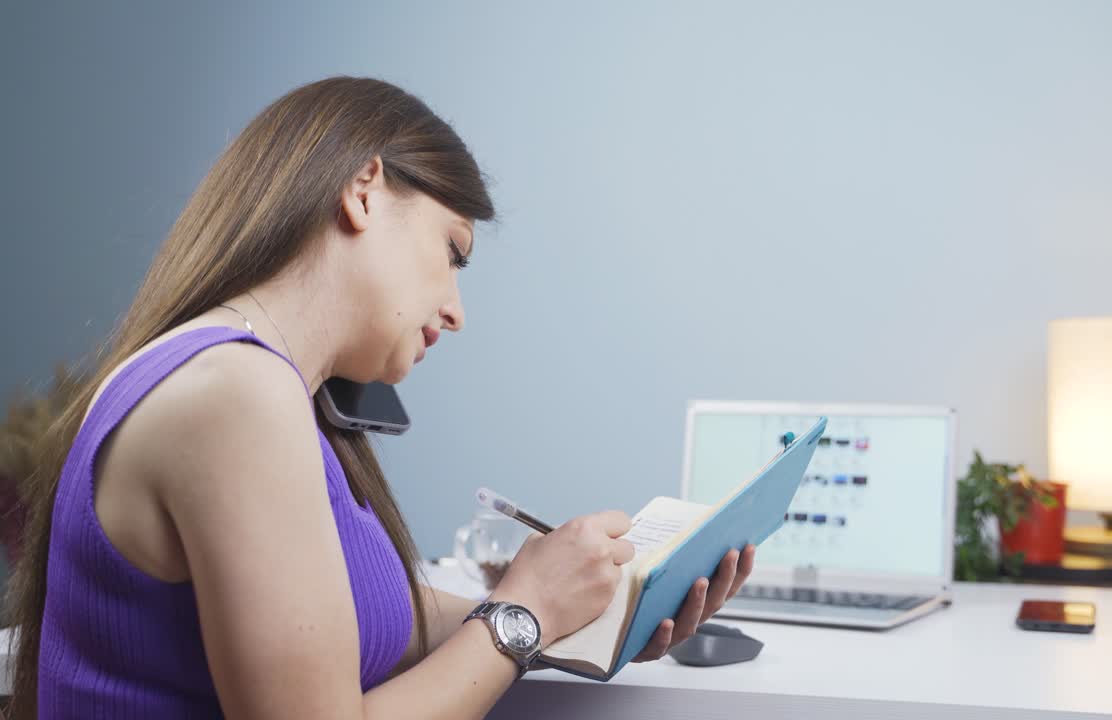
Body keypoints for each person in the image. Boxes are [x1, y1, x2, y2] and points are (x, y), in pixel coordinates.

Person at [4, 76, 755, 719]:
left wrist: (583, 613)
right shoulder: (235, 393)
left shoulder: (249, 385)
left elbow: (359, 618)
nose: (458, 309)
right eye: (452, 251)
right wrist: (523, 616)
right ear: (364, 192)